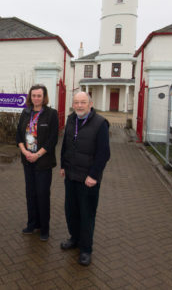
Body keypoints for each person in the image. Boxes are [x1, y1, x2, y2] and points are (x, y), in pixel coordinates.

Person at [60, 91, 110, 266]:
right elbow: (66, 144)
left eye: (82, 102)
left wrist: (94, 175)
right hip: (71, 174)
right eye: (76, 102)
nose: (79, 105)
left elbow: (104, 153)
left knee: (86, 214)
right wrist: (62, 165)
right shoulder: (71, 119)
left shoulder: (100, 123)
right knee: (71, 210)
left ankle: (86, 249)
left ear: (90, 104)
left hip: (88, 179)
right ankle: (74, 239)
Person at [16, 84, 59, 241]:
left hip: (43, 162)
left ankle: (44, 228)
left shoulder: (51, 114)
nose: (36, 98)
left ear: (44, 97)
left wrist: (37, 155)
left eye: (39, 96)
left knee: (42, 195)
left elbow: (52, 139)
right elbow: (18, 136)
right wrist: (25, 152)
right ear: (30, 97)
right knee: (30, 193)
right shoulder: (25, 112)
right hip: (27, 160)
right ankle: (32, 223)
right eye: (33, 95)